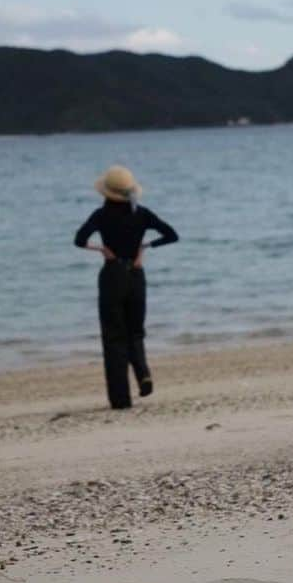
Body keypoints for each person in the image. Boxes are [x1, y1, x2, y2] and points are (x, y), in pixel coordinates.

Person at [73, 165, 178, 410]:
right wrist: (144, 248)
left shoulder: (100, 215)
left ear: (106, 193)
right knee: (135, 332)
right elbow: (172, 235)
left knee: (113, 337)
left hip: (112, 275)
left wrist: (102, 249)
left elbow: (78, 240)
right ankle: (143, 374)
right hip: (136, 274)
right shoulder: (141, 214)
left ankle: (121, 399)